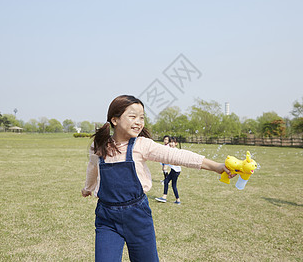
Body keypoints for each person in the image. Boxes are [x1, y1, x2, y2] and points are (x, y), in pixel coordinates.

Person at [81, 95, 234, 262]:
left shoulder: (142, 145)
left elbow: (177, 156)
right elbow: (93, 167)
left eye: (142, 117)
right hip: (107, 218)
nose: (139, 122)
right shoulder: (99, 146)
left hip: (137, 217)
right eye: (133, 116)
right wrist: (88, 187)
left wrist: (217, 167)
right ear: (115, 119)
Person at [156, 137, 182, 204]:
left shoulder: (175, 151)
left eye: (173, 142)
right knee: (169, 183)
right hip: (174, 170)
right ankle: (177, 200)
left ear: (176, 143)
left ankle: (165, 197)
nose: (171, 143)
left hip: (176, 171)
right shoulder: (170, 150)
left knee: (169, 183)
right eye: (170, 142)